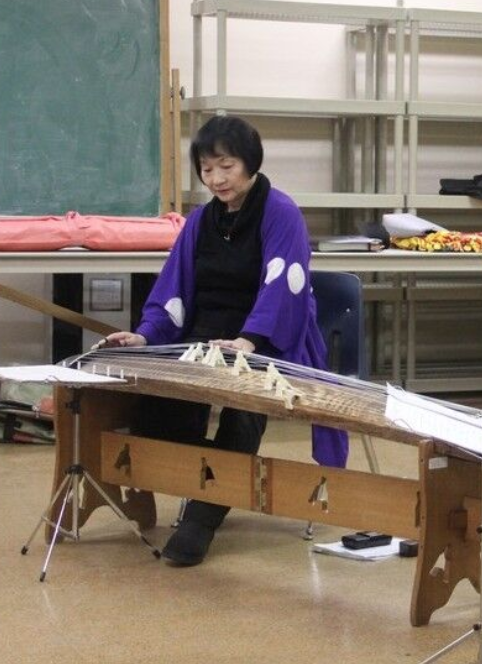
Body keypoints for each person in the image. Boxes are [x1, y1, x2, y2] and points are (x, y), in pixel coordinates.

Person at [102, 115, 347, 567]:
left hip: (268, 339)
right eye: (206, 169)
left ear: (250, 164)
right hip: (203, 337)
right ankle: (199, 482)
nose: (215, 179)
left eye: (226, 167)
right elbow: (173, 289)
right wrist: (144, 335)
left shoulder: (281, 213)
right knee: (159, 399)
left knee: (244, 404)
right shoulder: (200, 221)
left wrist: (250, 340)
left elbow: (284, 289)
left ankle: (203, 515)